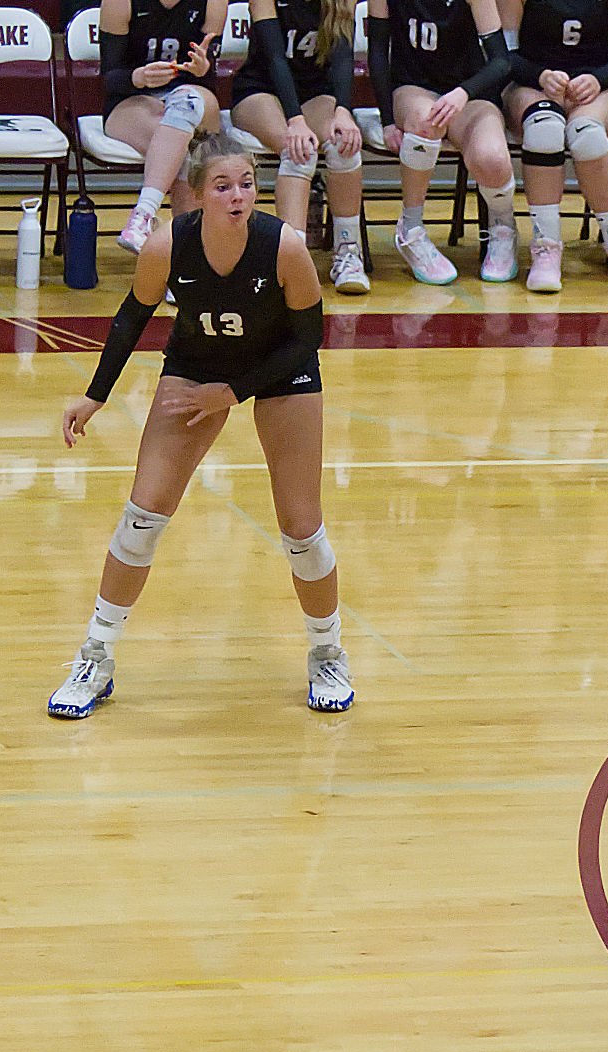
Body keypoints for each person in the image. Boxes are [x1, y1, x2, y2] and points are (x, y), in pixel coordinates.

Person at [56, 133, 353, 718]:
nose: (237, 196)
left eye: (246, 184)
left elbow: (307, 339)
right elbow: (132, 316)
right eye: (222, 186)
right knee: (142, 517)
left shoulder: (284, 247)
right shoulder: (168, 244)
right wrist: (95, 396)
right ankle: (95, 656)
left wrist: (233, 393)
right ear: (196, 195)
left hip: (279, 370)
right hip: (196, 367)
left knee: (301, 525)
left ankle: (328, 652)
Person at [500, 0, 608, 292]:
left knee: (588, 133)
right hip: (531, 84)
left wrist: (598, 79)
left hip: (599, 86)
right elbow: (503, 52)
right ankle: (546, 247)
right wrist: (541, 76)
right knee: (543, 128)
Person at [368, 0, 517, 284]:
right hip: (415, 89)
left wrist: (463, 92)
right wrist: (388, 120)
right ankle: (411, 229)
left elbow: (501, 61)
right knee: (426, 121)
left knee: (492, 158)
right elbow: (378, 52)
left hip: (467, 95)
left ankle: (502, 229)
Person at [232, 0, 371, 293]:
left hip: (315, 92)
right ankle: (291, 260)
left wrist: (343, 111)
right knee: (298, 148)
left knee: (343, 144)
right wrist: (295, 119)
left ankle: (348, 253)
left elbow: (343, 57)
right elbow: (275, 59)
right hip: (260, 91)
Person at [97, 0, 226, 253]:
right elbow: (108, 80)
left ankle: (143, 214)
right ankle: (188, 258)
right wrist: (139, 77)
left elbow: (208, 80)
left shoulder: (214, 3)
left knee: (185, 105)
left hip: (193, 97)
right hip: (133, 99)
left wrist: (202, 69)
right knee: (184, 151)